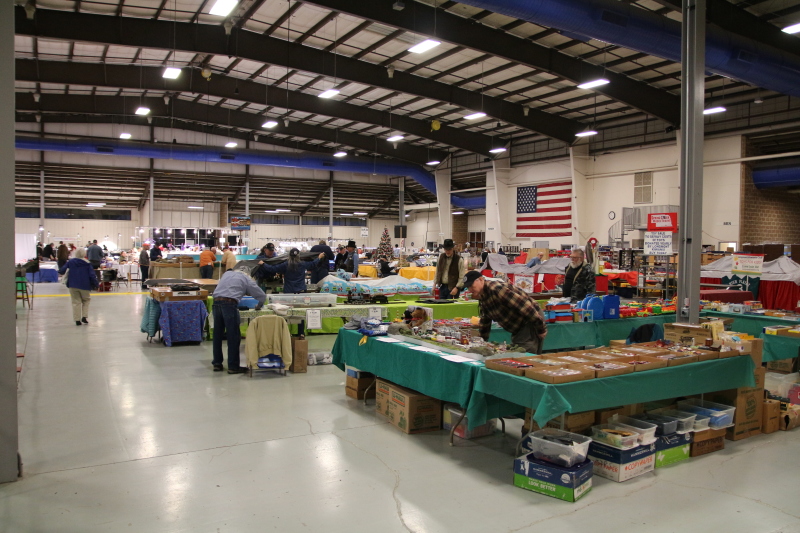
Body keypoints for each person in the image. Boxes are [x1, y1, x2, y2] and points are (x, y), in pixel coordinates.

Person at [463, 271, 547, 355]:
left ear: (481, 279)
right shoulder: (483, 295)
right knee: (520, 351)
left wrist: (541, 328)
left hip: (529, 320)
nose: (470, 289)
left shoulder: (497, 289)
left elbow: (526, 307)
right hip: (520, 325)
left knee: (523, 353)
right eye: (468, 287)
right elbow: (485, 320)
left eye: (471, 285)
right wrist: (481, 341)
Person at [211, 268, 267, 373]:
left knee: (217, 335)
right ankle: (233, 366)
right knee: (233, 336)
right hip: (229, 304)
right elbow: (262, 296)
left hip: (216, 303)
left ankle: (217, 363)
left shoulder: (227, 274)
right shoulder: (246, 279)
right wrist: (259, 306)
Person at [58, 247, 98, 326]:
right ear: (84, 254)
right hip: (85, 285)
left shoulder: (71, 262)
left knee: (76, 302)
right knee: (86, 300)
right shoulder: (87, 263)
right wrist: (96, 284)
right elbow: (92, 275)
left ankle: (77, 320)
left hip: (73, 284)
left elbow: (62, 270)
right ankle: (84, 316)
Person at [258, 249, 326, 294]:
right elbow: (313, 264)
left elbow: (273, 269)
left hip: (289, 291)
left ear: (289, 256)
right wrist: (319, 257)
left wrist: (263, 264)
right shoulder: (302, 264)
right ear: (299, 256)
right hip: (301, 290)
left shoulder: (286, 264)